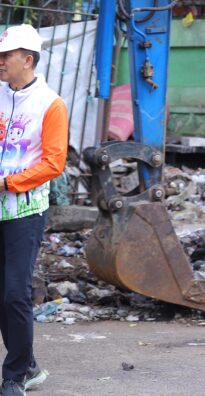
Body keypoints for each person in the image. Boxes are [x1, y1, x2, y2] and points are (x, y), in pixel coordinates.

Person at [0, 25, 68, 396]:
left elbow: (54, 162)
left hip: (24, 211)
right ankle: (27, 365)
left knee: (15, 293)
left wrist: (8, 183)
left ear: (27, 59)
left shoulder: (50, 104)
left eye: (6, 56)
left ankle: (15, 375)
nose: (0, 62)